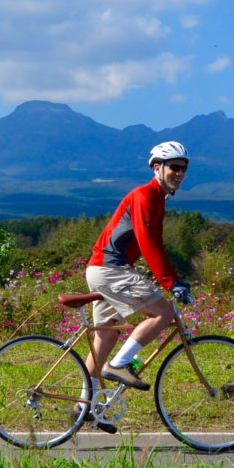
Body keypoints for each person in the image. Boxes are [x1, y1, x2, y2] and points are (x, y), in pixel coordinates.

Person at [85, 141, 194, 401]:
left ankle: (84, 405)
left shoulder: (157, 199)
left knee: (105, 339)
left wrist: (172, 279)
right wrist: (172, 283)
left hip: (102, 269)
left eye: (184, 168)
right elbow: (149, 243)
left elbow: (154, 243)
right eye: (174, 167)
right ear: (157, 167)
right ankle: (120, 365)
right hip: (111, 269)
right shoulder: (145, 196)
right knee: (163, 313)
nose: (179, 173)